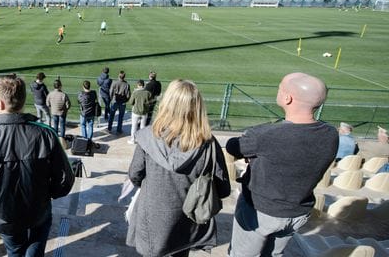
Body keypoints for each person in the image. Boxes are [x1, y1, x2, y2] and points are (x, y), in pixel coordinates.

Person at [0, 74, 75, 257]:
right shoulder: (45, 134)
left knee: (16, 251)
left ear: (0, 104)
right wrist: (46, 196)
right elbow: (64, 180)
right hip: (37, 211)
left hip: (4, 216)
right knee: (33, 250)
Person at [226, 72, 338, 257]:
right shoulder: (331, 134)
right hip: (298, 212)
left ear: (288, 98)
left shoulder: (267, 135)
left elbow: (233, 147)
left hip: (260, 211)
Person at [126, 79, 231, 257]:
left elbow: (135, 175)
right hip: (186, 220)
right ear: (197, 107)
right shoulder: (208, 144)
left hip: (152, 217)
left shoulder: (147, 137)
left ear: (166, 103)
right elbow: (223, 189)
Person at [128, 80, 151, 144]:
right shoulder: (148, 93)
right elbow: (150, 101)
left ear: (138, 85)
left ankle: (133, 140)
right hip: (144, 112)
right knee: (142, 127)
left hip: (136, 112)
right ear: (143, 85)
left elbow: (131, 102)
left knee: (134, 126)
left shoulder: (135, 92)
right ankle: (141, 141)